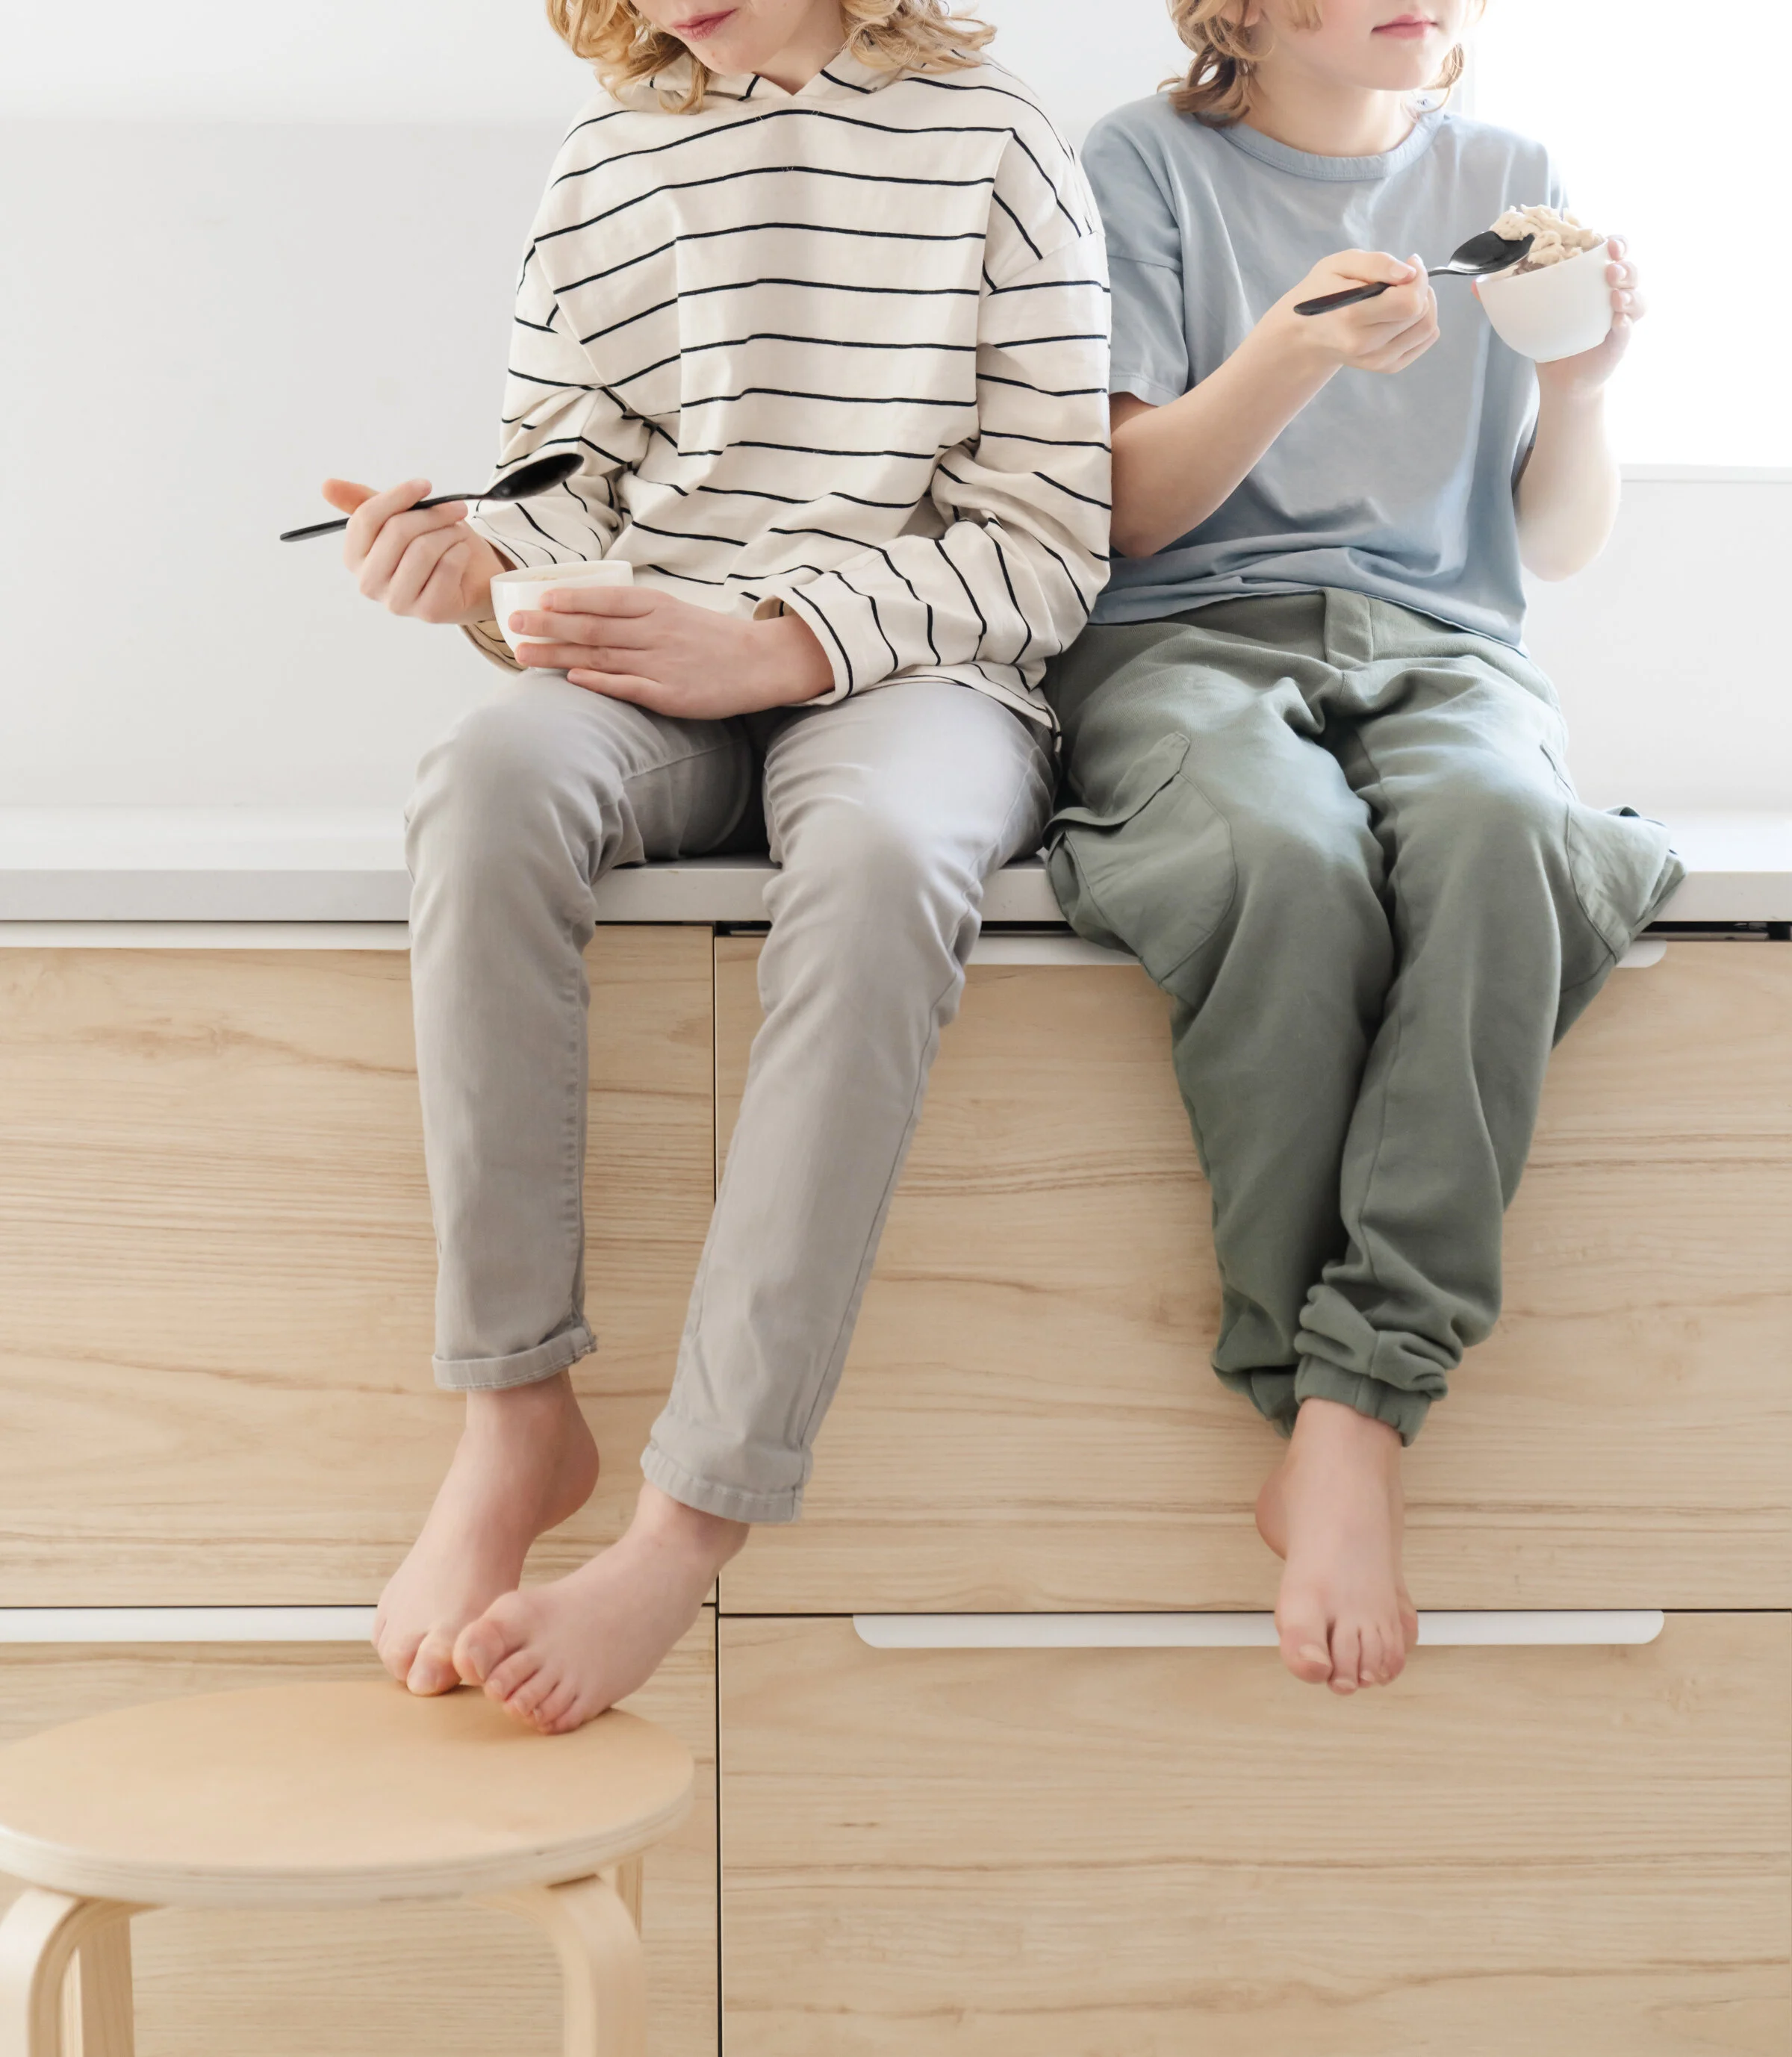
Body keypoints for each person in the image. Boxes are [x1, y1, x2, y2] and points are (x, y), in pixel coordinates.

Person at [322, 0, 1110, 1734]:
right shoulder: (611, 156)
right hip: (644, 670)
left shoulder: (998, 139)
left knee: (887, 858)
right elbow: (562, 491)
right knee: (483, 781)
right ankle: (515, 1415)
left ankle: (690, 1521)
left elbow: (1050, 542)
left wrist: (773, 644)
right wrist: (472, 570)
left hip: (914, 680)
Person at [1047, 0, 1681, 1697]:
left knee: (1509, 837)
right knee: (1280, 862)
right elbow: (1127, 508)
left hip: (1448, 651)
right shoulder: (1141, 166)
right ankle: (1334, 1397)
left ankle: (1352, 1405)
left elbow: (1543, 546)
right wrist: (1296, 350)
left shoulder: (1508, 173)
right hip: (1185, 642)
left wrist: (1582, 387)